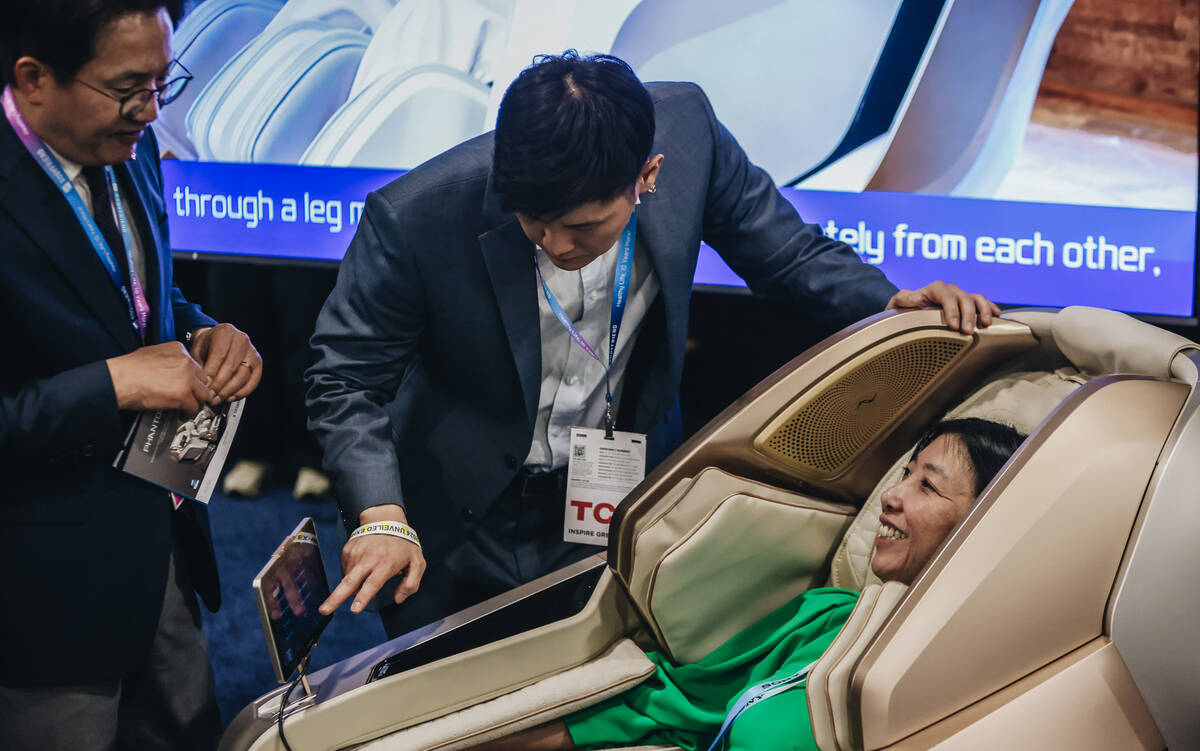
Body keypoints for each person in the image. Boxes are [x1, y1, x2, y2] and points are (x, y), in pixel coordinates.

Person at [307, 52, 1003, 638]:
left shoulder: (692, 136)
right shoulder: (416, 216)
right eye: (533, 221)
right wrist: (381, 515)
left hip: (617, 487)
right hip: (457, 510)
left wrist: (886, 302)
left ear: (648, 175)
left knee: (591, 693)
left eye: (582, 227)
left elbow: (786, 254)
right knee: (435, 708)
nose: (552, 244)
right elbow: (344, 378)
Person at [328, 417, 1026, 751]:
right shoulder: (828, 618)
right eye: (903, 474)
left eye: (928, 484)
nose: (894, 496)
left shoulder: (968, 682)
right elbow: (662, 707)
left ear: (983, 524)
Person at [0, 3, 262, 751]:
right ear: (34, 80)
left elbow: (142, 299)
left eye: (161, 82)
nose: (152, 110)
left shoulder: (128, 150)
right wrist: (115, 382)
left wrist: (208, 330)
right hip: (42, 597)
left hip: (160, 549)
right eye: (126, 89)